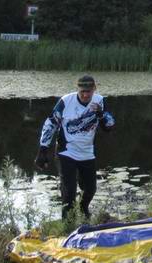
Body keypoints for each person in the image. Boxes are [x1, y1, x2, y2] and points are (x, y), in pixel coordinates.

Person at [35, 74, 115, 220]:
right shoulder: (66, 101)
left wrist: (101, 114)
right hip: (66, 152)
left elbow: (109, 126)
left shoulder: (100, 101)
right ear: (77, 89)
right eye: (82, 91)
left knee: (90, 189)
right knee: (69, 191)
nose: (85, 95)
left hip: (87, 153)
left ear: (94, 89)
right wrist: (43, 150)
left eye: (88, 91)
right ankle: (67, 223)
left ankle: (83, 210)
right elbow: (51, 123)